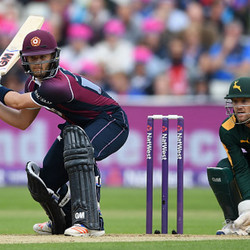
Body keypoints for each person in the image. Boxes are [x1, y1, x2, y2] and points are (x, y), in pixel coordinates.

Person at [0, 29, 129, 237]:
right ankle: (66, 219)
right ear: (25, 61)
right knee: (47, 178)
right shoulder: (33, 84)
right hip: (79, 129)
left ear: (54, 56)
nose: (39, 63)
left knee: (82, 154)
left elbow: (15, 101)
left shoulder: (58, 86)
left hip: (112, 122)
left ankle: (90, 221)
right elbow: (21, 120)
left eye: (43, 57)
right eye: (33, 58)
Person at [207, 77, 250, 235]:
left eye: (244, 100)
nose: (239, 107)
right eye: (235, 101)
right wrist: (248, 206)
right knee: (221, 169)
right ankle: (233, 222)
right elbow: (240, 167)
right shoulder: (227, 129)